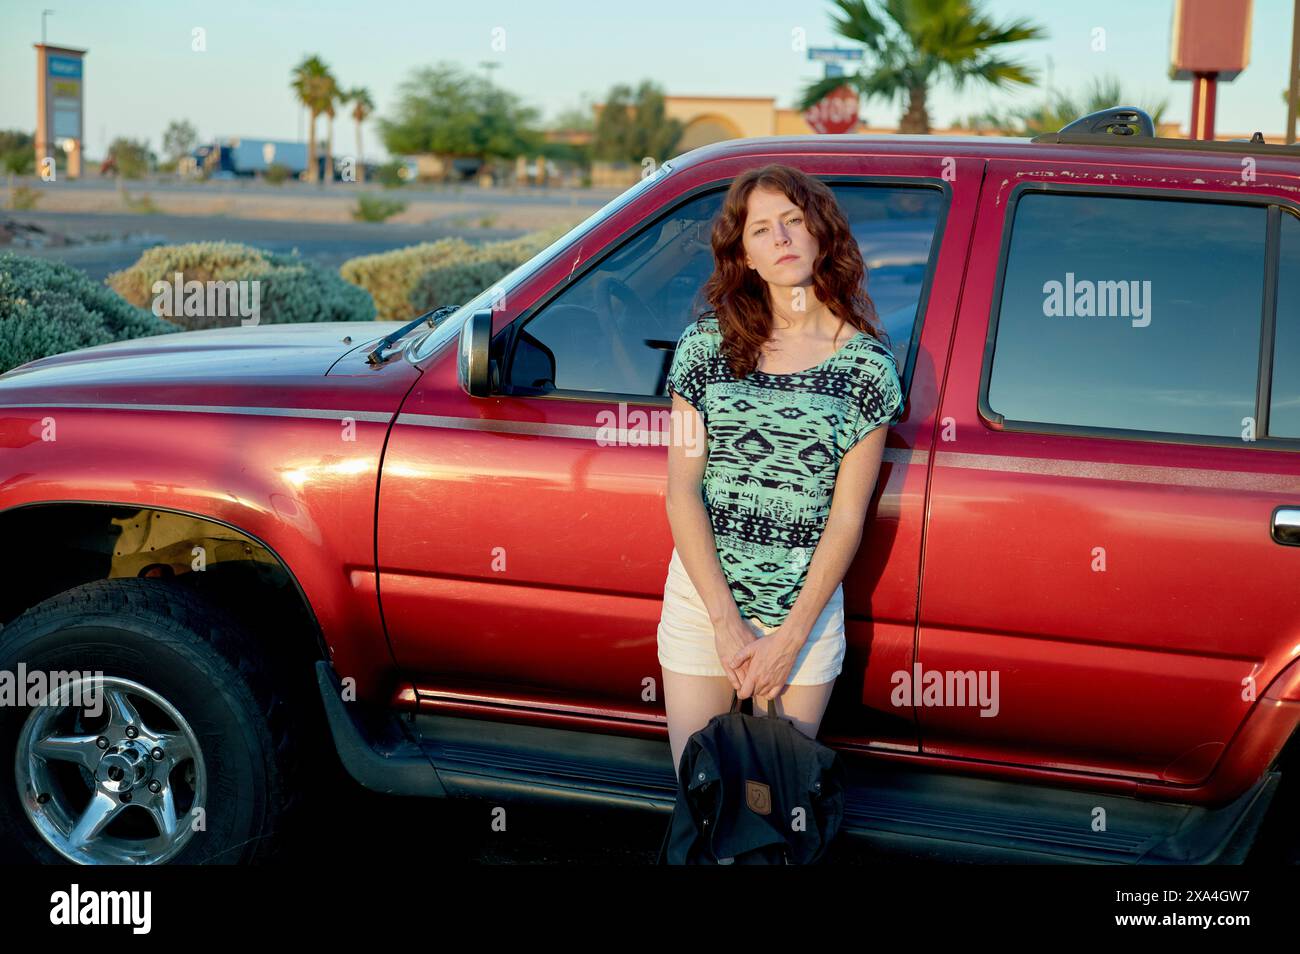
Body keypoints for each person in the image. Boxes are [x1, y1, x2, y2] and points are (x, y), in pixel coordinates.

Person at [658, 163, 904, 773]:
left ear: (821, 234)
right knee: (703, 792)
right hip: (703, 600)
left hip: (806, 614)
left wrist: (788, 638)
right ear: (744, 255)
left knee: (779, 801)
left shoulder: (867, 369)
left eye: (794, 221)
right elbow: (681, 491)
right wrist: (725, 623)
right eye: (762, 230)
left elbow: (848, 517)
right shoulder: (703, 347)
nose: (783, 239)